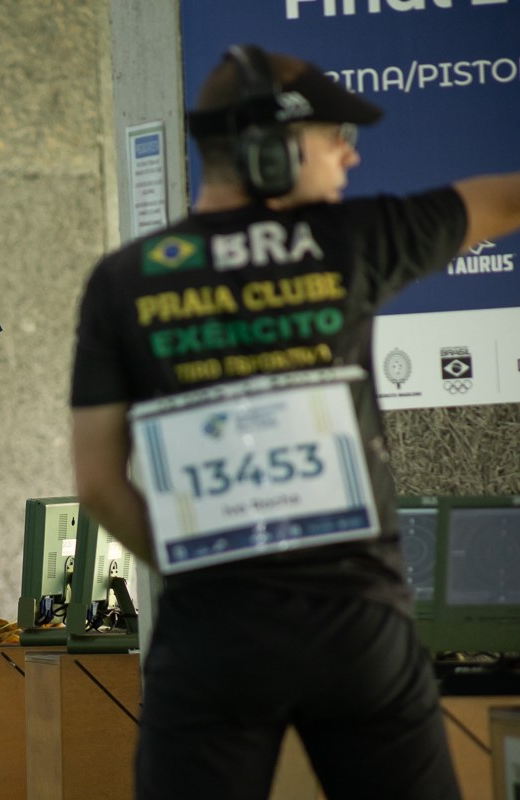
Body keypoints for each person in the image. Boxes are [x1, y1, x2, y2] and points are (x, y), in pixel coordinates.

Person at [70, 44, 520, 800]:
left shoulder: (123, 280)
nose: (349, 155)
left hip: (211, 637)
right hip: (359, 631)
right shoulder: (350, 239)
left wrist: (201, 569)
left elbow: (97, 483)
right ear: (270, 149)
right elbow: (505, 201)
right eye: (335, 137)